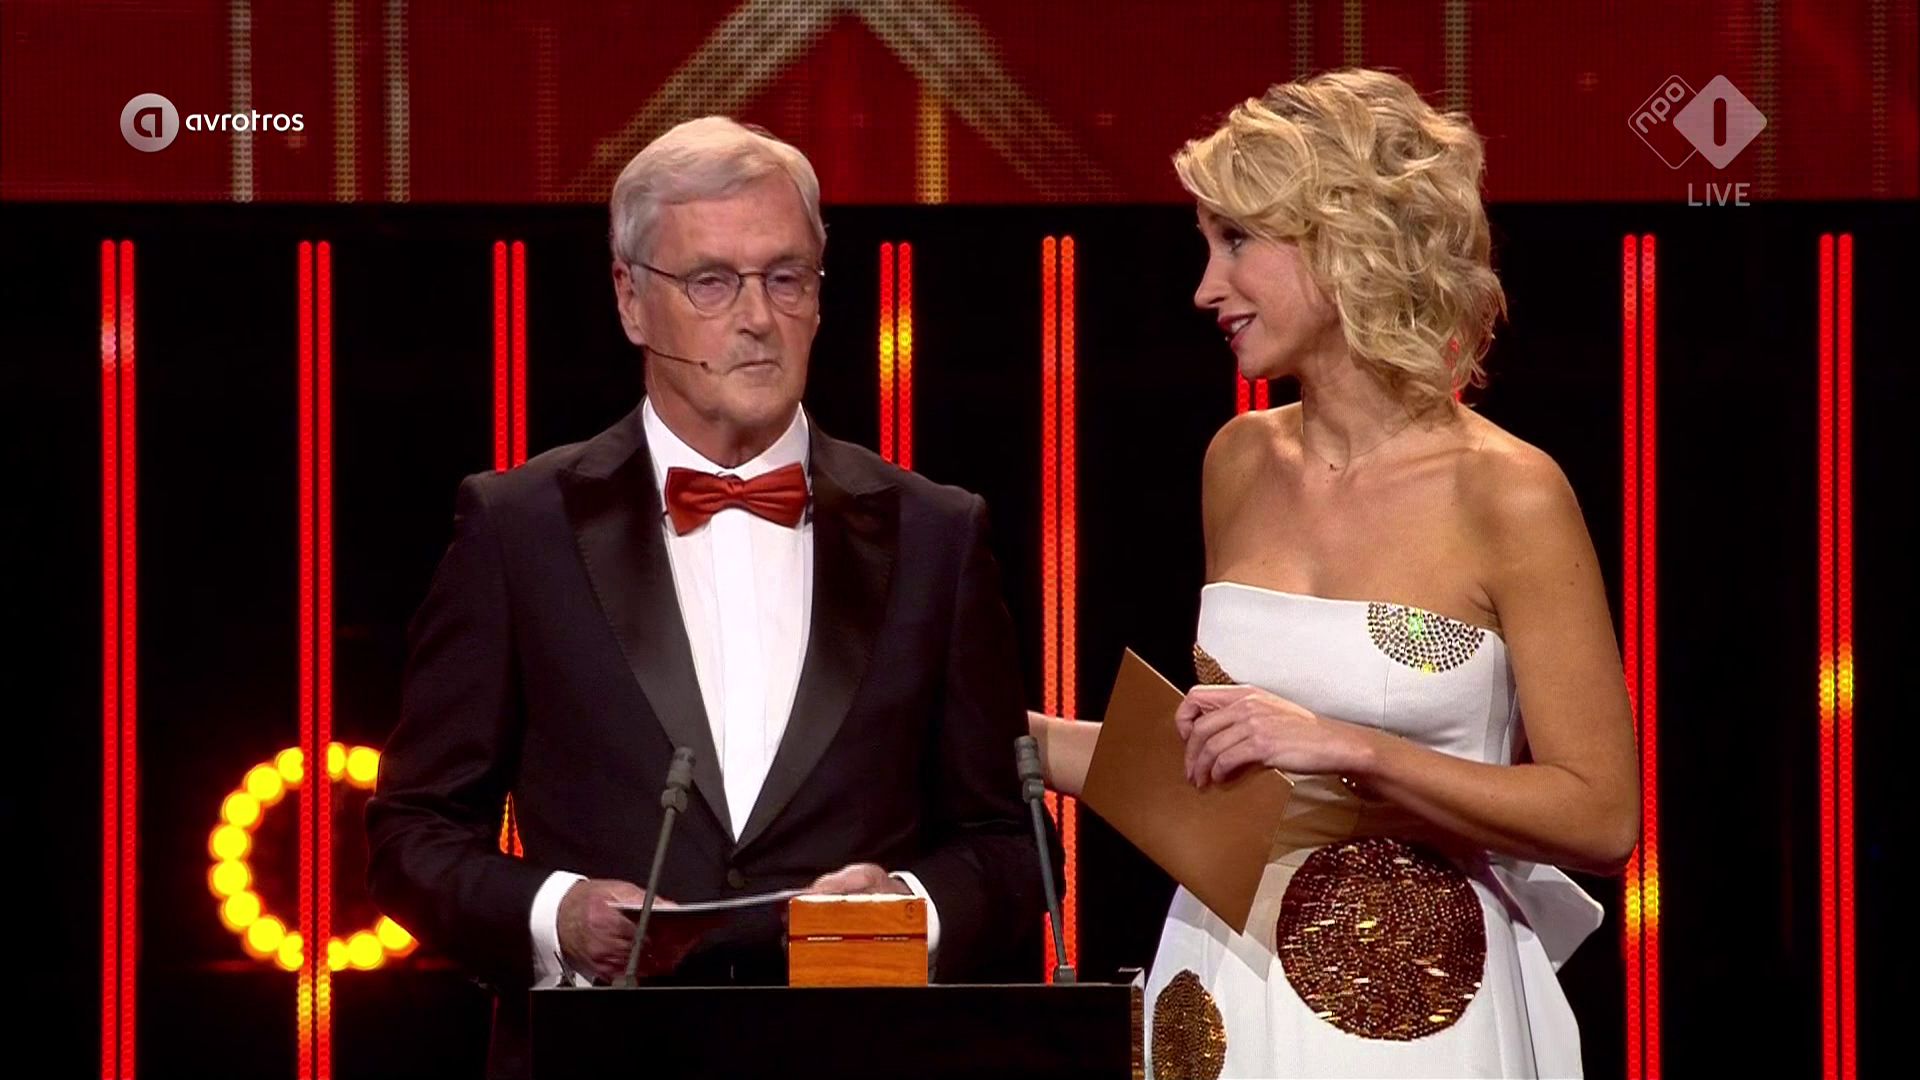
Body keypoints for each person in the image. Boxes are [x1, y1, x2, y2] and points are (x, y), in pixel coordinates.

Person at [367, 117, 1045, 1080]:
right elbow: (413, 832)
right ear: (630, 300)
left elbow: (1009, 842)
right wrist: (557, 916)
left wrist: (906, 913)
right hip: (604, 1059)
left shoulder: (938, 533)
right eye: (713, 282)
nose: (758, 317)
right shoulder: (519, 527)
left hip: (859, 1056)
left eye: (786, 277)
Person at [1029, 70, 1639, 1077]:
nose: (1205, 288)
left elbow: (1600, 814)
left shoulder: (1509, 492)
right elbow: (1239, 787)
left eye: (1236, 241)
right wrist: (1012, 740)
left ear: (1344, 238)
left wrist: (1353, 747)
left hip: (1419, 994)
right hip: (1223, 980)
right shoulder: (1237, 461)